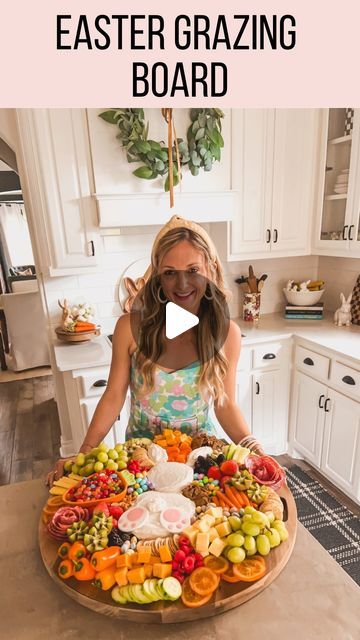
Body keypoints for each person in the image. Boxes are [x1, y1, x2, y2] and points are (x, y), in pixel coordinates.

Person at [47, 215, 263, 485]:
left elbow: (225, 403)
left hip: (200, 461)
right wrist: (84, 455)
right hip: (141, 463)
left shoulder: (227, 334)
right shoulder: (129, 328)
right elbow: (114, 395)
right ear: (158, 277)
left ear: (210, 268)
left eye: (193, 270)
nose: (182, 284)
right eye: (170, 272)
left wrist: (256, 451)